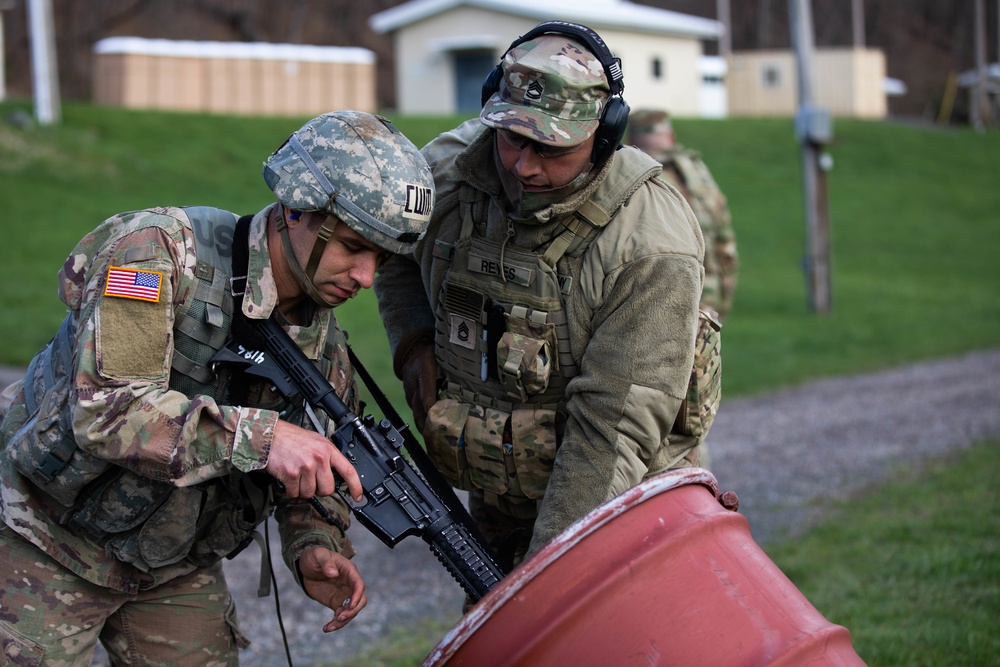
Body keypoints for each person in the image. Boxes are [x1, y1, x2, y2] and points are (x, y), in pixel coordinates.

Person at [0, 110, 434, 665]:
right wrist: (265, 439)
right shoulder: (158, 254)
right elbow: (109, 412)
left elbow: (317, 463)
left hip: (170, 566)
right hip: (47, 537)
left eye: (382, 258)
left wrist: (313, 546)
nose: (367, 277)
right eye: (353, 246)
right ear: (298, 208)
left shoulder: (324, 350)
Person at [373, 21, 708, 576]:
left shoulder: (649, 241)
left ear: (603, 136)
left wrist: (543, 577)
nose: (523, 166)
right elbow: (393, 256)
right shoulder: (446, 174)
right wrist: (413, 346)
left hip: (624, 501)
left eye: (551, 147)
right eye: (511, 137)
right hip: (499, 486)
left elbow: (612, 428)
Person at [628, 109, 739, 322]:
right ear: (670, 135)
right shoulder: (696, 170)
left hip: (669, 304)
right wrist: (725, 293)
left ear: (631, 139)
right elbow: (724, 235)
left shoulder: (636, 174)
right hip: (709, 297)